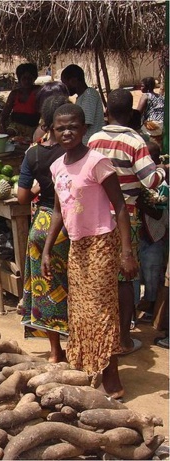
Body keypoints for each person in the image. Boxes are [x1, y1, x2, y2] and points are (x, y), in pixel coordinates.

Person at [42, 103, 137, 400]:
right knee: (80, 311)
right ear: (53, 132)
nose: (67, 132)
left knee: (101, 310)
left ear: (85, 129)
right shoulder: (56, 166)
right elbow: (58, 211)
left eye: (73, 126)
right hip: (77, 246)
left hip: (101, 243)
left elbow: (119, 206)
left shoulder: (98, 162)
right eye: (61, 128)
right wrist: (47, 250)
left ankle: (112, 376)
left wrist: (126, 251)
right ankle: (87, 367)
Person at [88, 89, 166, 355]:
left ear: (107, 111)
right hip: (125, 217)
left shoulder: (94, 138)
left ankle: (103, 332)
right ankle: (123, 337)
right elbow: (149, 179)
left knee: (103, 276)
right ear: (132, 113)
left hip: (98, 217)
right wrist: (162, 171)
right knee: (125, 277)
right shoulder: (135, 140)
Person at [18, 95, 71, 363]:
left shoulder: (33, 154)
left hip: (42, 224)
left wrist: (39, 187)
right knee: (75, 287)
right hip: (70, 224)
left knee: (46, 286)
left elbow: (22, 197)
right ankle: (81, 346)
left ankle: (54, 351)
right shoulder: (73, 152)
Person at [135, 141, 168, 323]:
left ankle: (152, 307)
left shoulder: (161, 182)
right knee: (142, 271)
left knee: (152, 271)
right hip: (139, 233)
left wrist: (139, 202)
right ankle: (146, 303)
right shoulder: (140, 179)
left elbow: (158, 213)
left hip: (154, 235)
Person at [60, 64, 105, 144]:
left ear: (73, 80)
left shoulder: (89, 94)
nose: (65, 87)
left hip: (92, 144)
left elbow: (83, 123)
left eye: (65, 83)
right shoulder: (80, 98)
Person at [0, 63, 41, 139]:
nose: (27, 81)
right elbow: (4, 114)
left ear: (34, 78)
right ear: (19, 79)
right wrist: (2, 126)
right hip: (15, 126)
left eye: (29, 78)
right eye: (24, 78)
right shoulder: (14, 94)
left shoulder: (38, 92)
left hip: (32, 128)